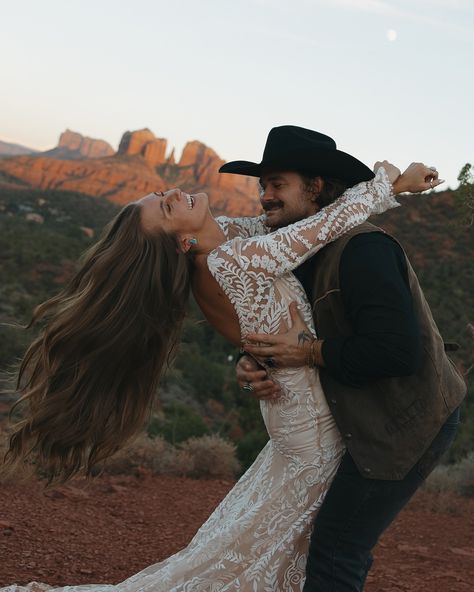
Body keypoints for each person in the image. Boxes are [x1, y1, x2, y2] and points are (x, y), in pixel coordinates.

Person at [2, 128, 443, 592]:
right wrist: (391, 184)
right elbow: (323, 226)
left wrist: (253, 357)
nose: (172, 191)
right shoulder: (235, 260)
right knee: (295, 549)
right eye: (166, 206)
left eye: (160, 192)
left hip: (295, 410)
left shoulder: (227, 240)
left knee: (267, 544)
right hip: (313, 425)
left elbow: (294, 231)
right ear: (177, 241)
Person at [231, 126, 467, 591]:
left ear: (316, 187)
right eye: (263, 186)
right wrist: (252, 368)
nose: (265, 197)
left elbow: (397, 351)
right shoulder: (296, 251)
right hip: (360, 417)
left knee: (337, 547)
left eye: (277, 184)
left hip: (405, 420)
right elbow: (291, 332)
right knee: (331, 544)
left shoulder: (364, 249)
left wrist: (309, 353)